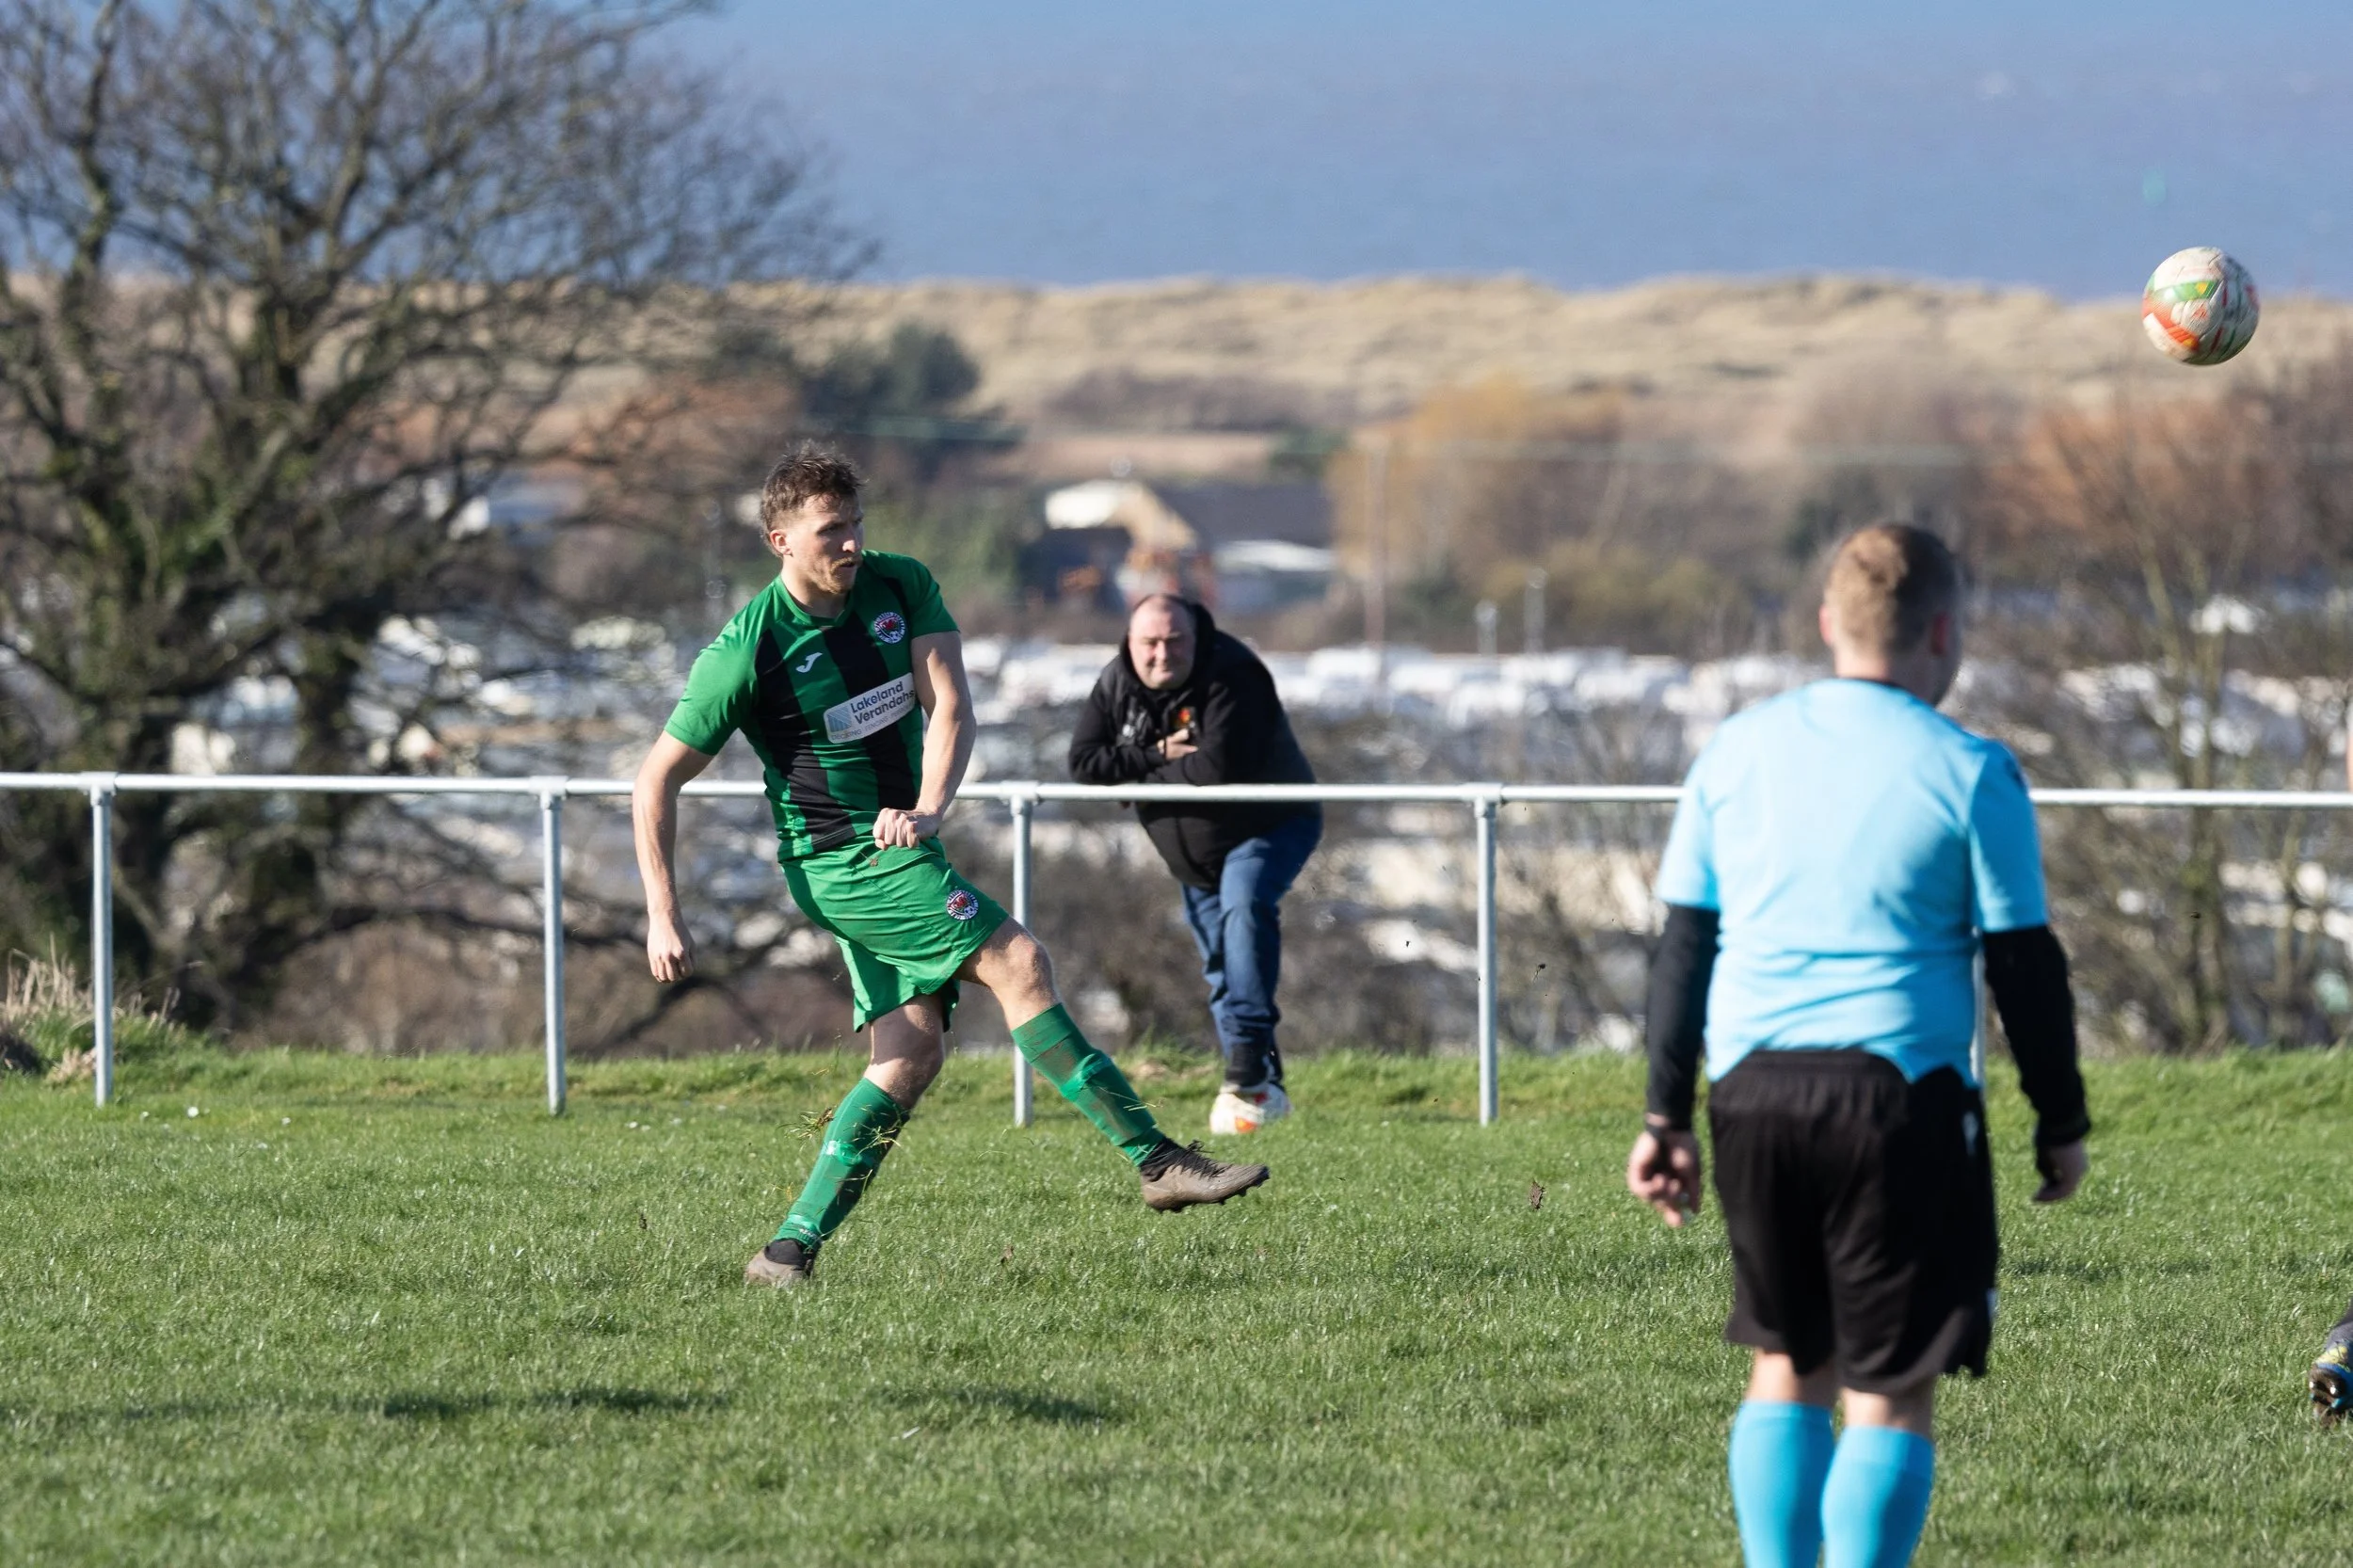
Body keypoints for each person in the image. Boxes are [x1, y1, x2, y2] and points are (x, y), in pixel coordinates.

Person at [632, 447, 1269, 1289]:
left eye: (857, 524)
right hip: (841, 861)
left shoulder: (901, 586)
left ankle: (786, 1253)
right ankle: (1155, 1161)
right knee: (1020, 961)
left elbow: (951, 706)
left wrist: (930, 808)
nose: (852, 544)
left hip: (903, 846)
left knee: (908, 1056)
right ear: (780, 540)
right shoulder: (746, 650)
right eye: (831, 531)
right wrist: (662, 912)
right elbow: (655, 780)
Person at [1625, 523, 2091, 1567]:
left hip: (1751, 1098)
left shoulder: (1734, 750)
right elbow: (2024, 966)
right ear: (1942, 631)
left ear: (1830, 624)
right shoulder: (1972, 770)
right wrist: (2059, 1121)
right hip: (1898, 1104)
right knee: (1887, 1392)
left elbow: (1681, 949)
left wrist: (1663, 1115)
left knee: (1786, 1363)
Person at [1069, 594, 1321, 1135]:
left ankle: (1248, 1066)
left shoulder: (1234, 673)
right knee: (1219, 968)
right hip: (1191, 857)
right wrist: (1159, 753)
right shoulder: (1117, 682)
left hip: (1267, 827)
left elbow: (1213, 767)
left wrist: (1133, 780)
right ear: (1130, 643)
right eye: (1150, 643)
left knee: (1245, 909)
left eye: (1174, 640)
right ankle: (1261, 1089)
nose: (1162, 654)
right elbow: (1086, 764)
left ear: (1196, 638)